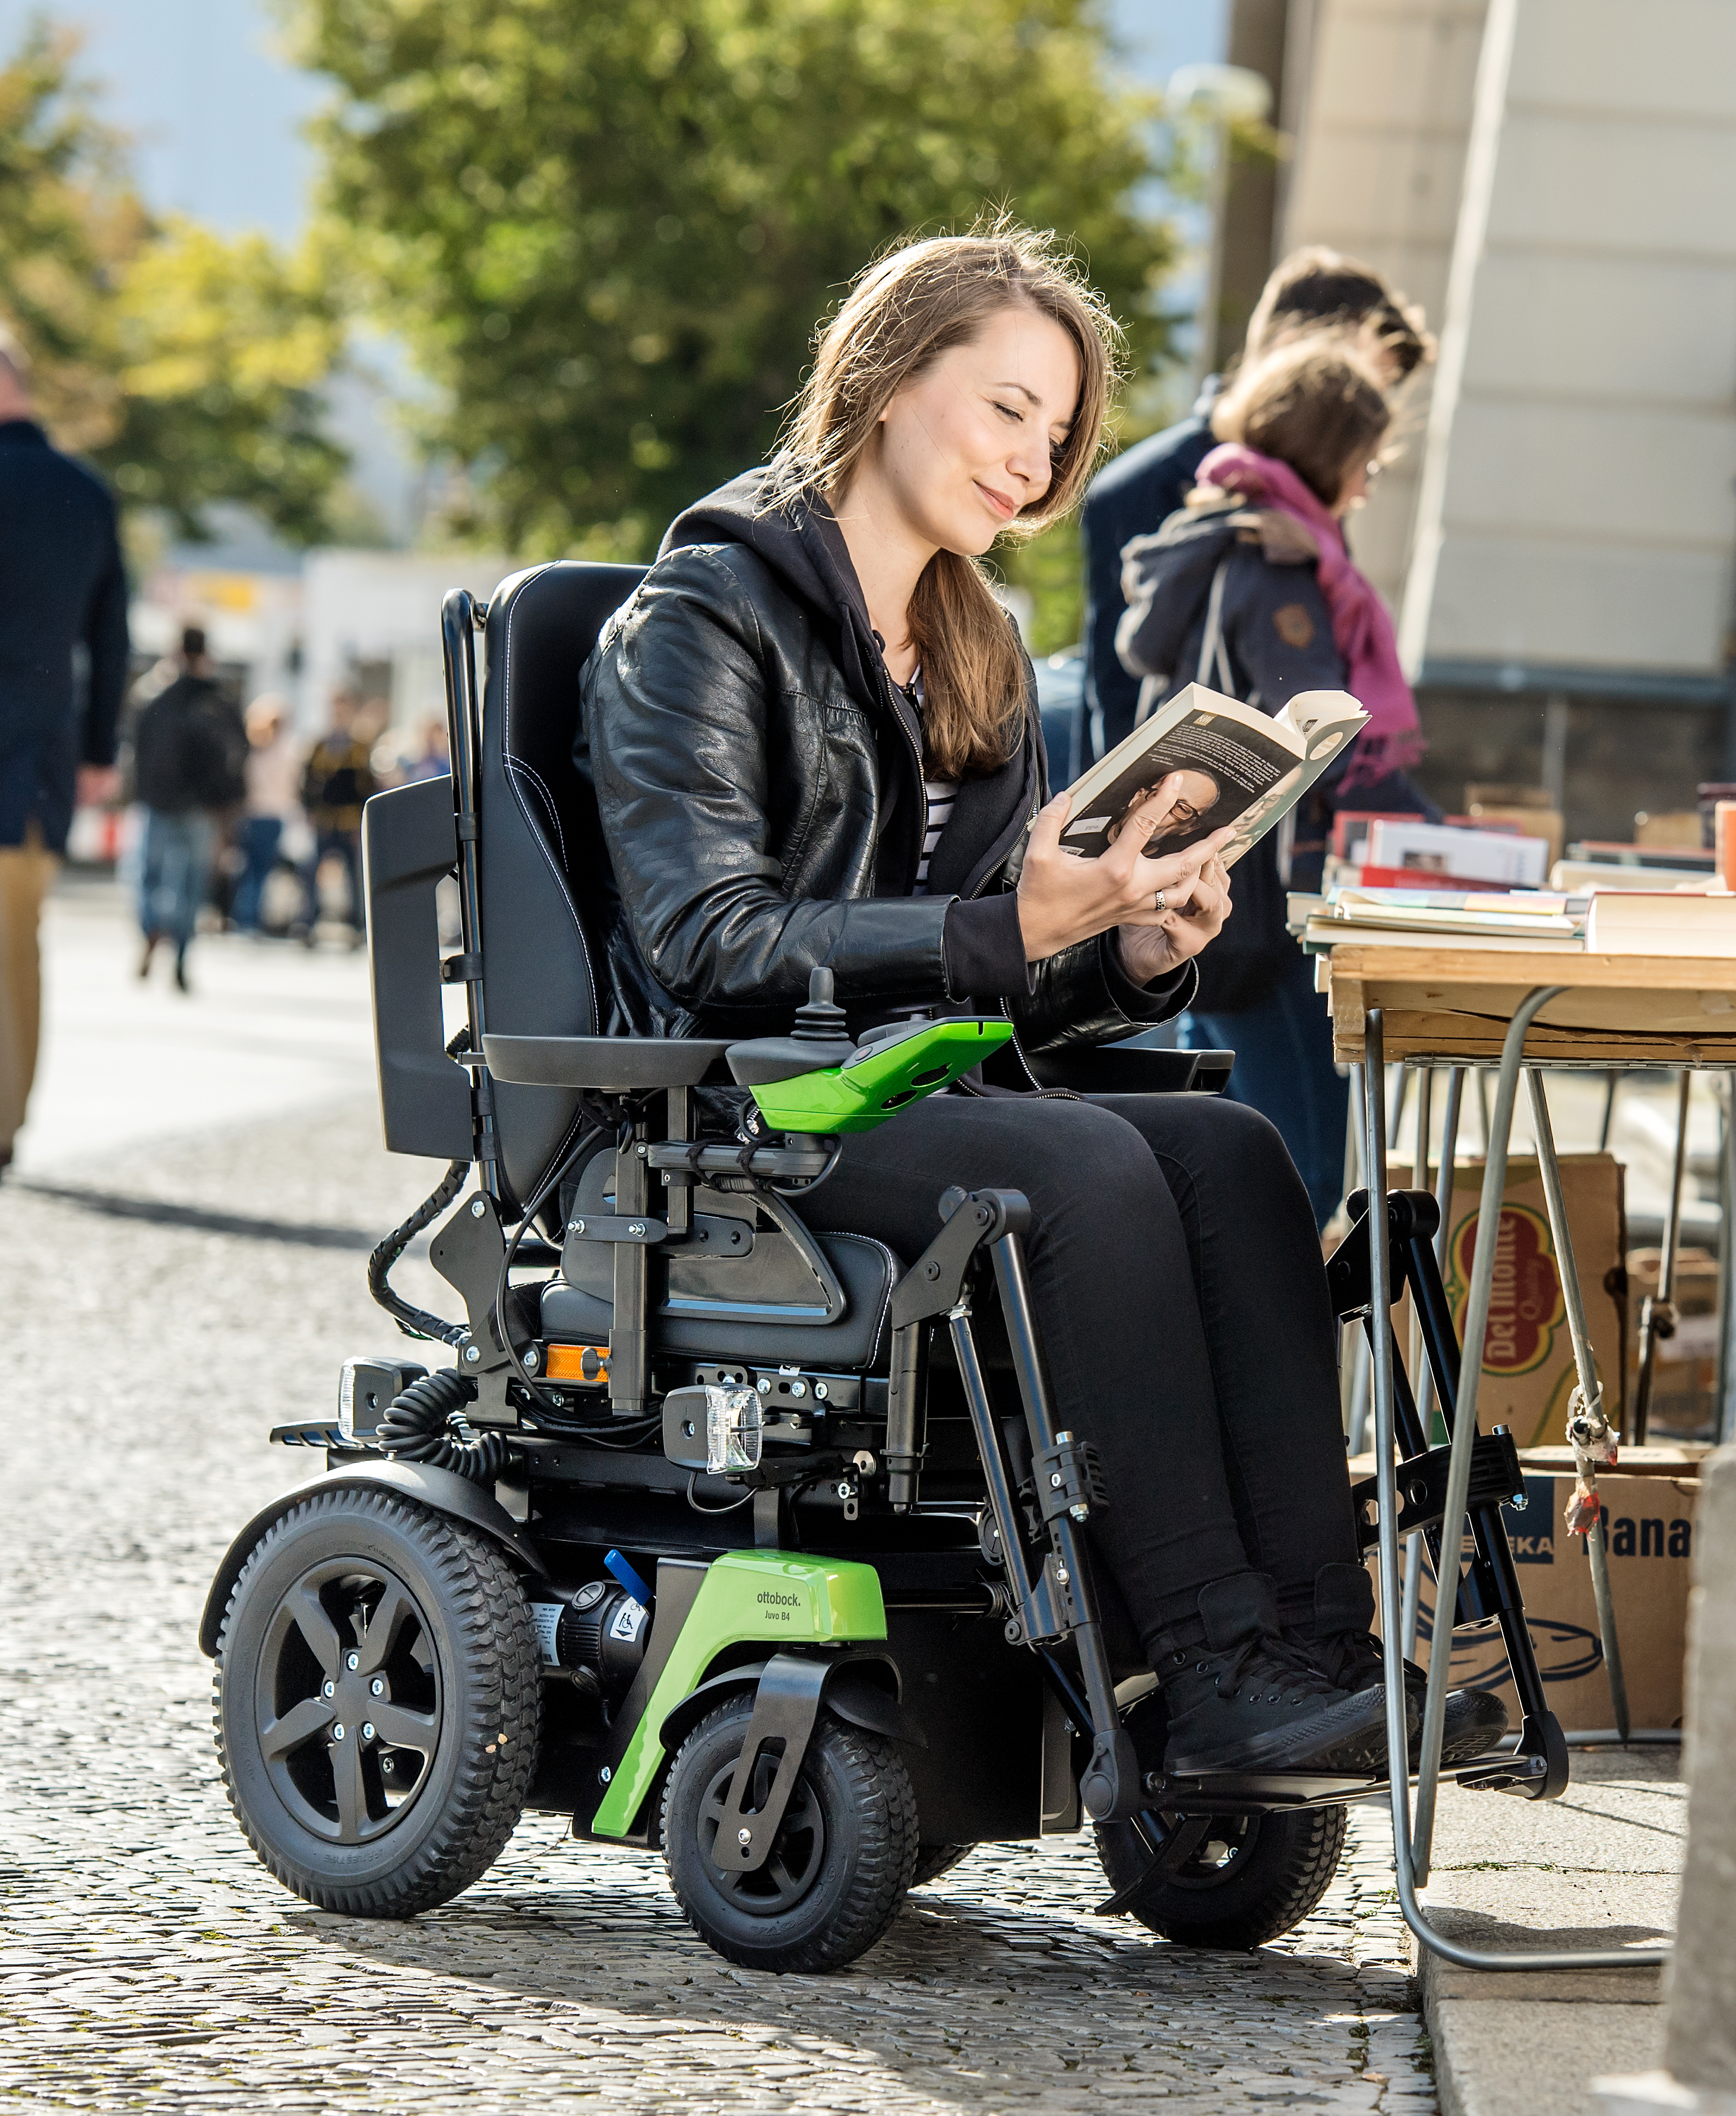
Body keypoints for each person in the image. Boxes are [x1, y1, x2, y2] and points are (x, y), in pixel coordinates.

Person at [577, 227, 1502, 1778]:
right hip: (747, 1105)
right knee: (1089, 1170)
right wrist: (1002, 928)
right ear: (883, 379)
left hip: (919, 1087)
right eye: (1006, 408)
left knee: (1235, 1154)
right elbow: (703, 942)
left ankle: (1321, 1661)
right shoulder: (698, 622)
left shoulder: (976, 643)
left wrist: (1131, 950)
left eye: (1055, 430)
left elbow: (1008, 985)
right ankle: (1210, 1672)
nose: (1035, 460)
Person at [1116, 335, 1441, 1226]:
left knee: (1213, 1144)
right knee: (1298, 1162)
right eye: (1363, 460)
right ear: (1328, 454)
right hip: (1268, 904)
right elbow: (1322, 738)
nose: (1369, 482)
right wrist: (1450, 845)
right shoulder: (1277, 568)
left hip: (1196, 894)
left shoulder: (1214, 540)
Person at [1079, 248, 1431, 761]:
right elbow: (1119, 699)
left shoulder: (1307, 491)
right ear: (1290, 349)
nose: (1365, 419)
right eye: (1353, 379)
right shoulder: (1141, 488)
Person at [0, 327, 128, 1172]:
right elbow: (111, 636)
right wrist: (92, 750)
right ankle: (6, 1123)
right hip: (36, 760)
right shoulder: (85, 492)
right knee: (18, 941)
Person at [130, 626, 249, 991]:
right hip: (203, 807)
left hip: (159, 801)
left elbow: (136, 750)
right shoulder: (218, 701)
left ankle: (154, 928)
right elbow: (239, 752)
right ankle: (181, 952)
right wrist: (230, 805)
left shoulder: (154, 696)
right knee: (191, 885)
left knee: (147, 876)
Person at [299, 689, 378, 941]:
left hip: (349, 821)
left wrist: (362, 821)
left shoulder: (359, 748)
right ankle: (308, 922)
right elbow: (308, 783)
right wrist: (310, 812)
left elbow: (367, 787)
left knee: (355, 876)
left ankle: (359, 925)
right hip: (325, 821)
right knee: (312, 871)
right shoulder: (320, 746)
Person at [233, 695, 301, 933]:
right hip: (268, 816)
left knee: (251, 868)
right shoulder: (286, 752)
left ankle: (246, 916)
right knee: (259, 870)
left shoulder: (252, 750)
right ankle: (249, 918)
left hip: (253, 814)